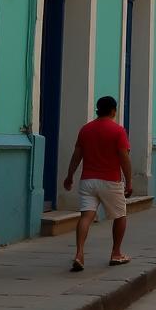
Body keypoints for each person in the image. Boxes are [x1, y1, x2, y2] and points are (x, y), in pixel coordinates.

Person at [63, 96, 133, 272]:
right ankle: (116, 253)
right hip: (110, 180)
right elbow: (124, 158)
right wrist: (129, 181)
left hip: (88, 180)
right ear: (113, 111)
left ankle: (79, 253)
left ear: (97, 109)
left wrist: (69, 175)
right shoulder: (118, 131)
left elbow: (76, 155)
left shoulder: (85, 130)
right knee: (120, 215)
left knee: (86, 216)